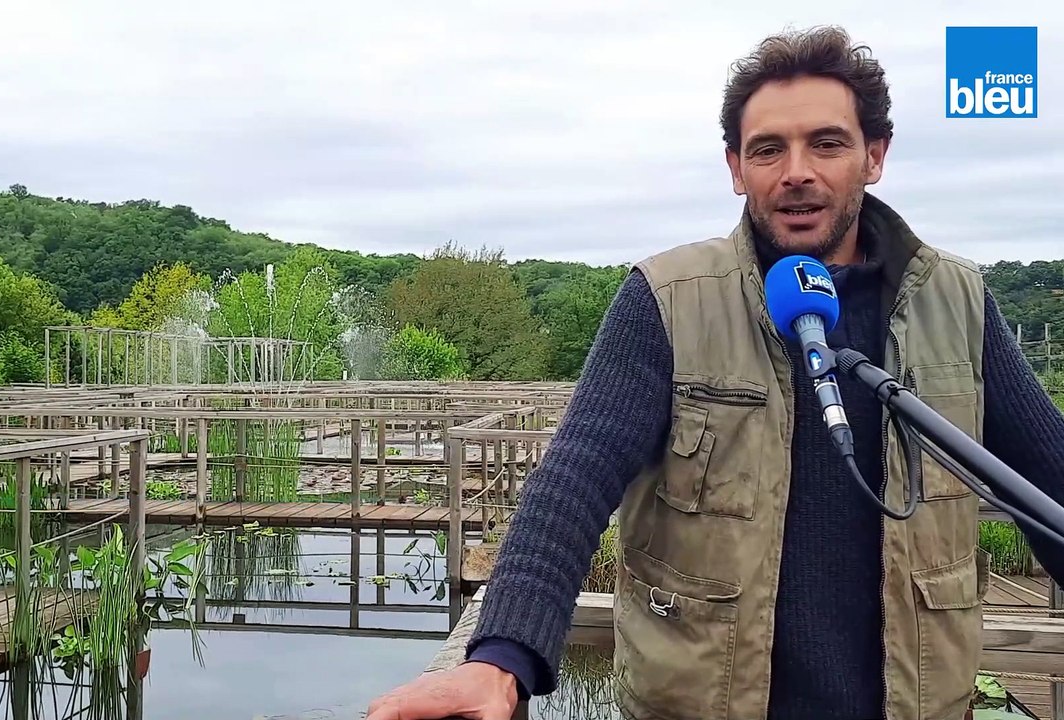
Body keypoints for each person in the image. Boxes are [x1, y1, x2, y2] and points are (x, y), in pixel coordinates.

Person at [365, 24, 1064, 720]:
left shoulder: (958, 302)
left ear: (874, 156)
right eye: (768, 149)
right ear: (736, 168)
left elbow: (1048, 480)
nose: (797, 171)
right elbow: (573, 481)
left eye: (827, 143)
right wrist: (501, 659)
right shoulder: (667, 300)